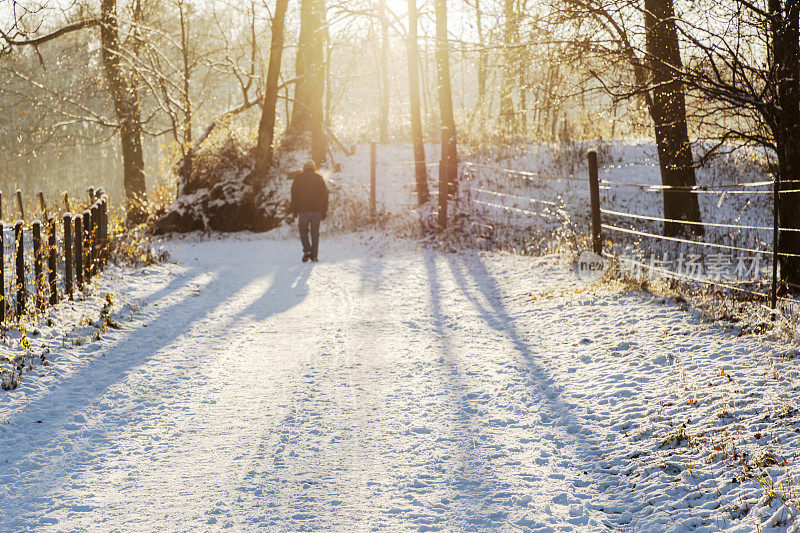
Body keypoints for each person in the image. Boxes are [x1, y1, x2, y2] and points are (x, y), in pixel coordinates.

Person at [289, 160, 329, 262]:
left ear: (304, 168)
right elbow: (325, 195)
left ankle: (307, 250)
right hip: (317, 210)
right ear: (313, 168)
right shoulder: (319, 178)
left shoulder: (298, 178)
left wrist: (294, 210)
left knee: (303, 230)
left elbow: (294, 195)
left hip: (303, 209)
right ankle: (314, 256)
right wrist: (324, 210)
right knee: (315, 233)